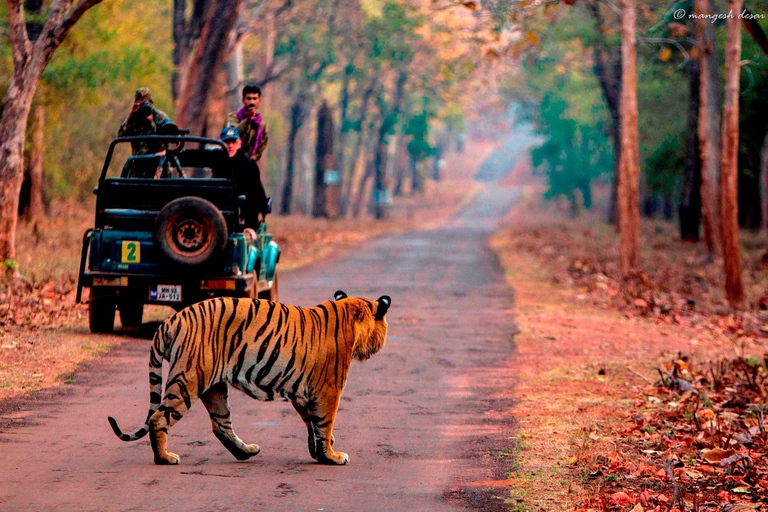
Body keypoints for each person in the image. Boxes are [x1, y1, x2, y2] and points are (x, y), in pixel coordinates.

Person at [217, 126, 269, 228]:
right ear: (222, 144)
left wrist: (260, 213)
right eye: (227, 142)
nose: (230, 145)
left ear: (239, 143)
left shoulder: (247, 164)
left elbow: (257, 190)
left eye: (233, 142)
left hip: (243, 207)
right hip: (219, 208)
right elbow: (197, 156)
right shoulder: (218, 157)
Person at [118, 88, 171, 155]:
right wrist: (131, 115)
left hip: (159, 160)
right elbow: (120, 135)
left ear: (151, 103)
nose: (143, 106)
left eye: (145, 103)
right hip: (138, 160)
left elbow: (168, 140)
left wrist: (151, 123)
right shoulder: (134, 118)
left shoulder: (160, 117)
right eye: (140, 103)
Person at [225, 84, 269, 165]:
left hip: (249, 164)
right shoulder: (233, 117)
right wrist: (247, 120)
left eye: (255, 98)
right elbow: (232, 135)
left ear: (259, 101)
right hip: (231, 161)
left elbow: (261, 147)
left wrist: (250, 160)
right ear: (243, 100)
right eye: (248, 98)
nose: (251, 102)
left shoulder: (262, 124)